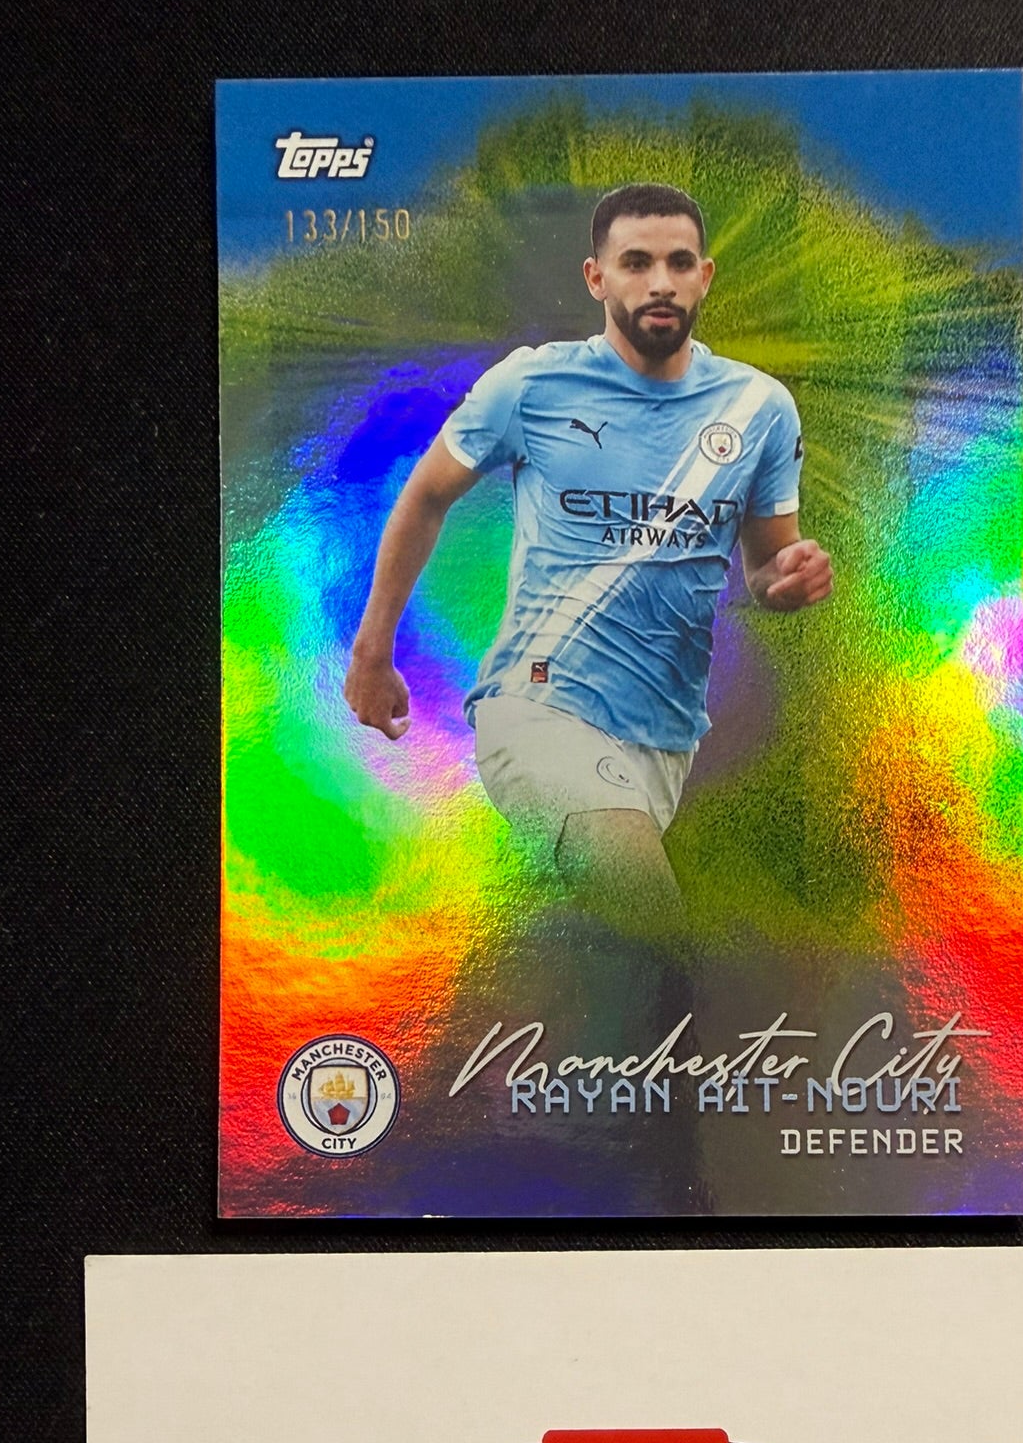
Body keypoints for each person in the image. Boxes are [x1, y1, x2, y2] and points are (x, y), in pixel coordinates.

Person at [343, 182, 833, 931]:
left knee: (608, 959)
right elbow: (426, 496)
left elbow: (768, 565)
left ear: (705, 276)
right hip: (538, 705)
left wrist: (787, 580)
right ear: (596, 277)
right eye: (636, 262)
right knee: (655, 928)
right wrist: (372, 653)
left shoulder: (758, 409)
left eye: (679, 262)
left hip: (664, 738)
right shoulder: (532, 383)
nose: (660, 282)